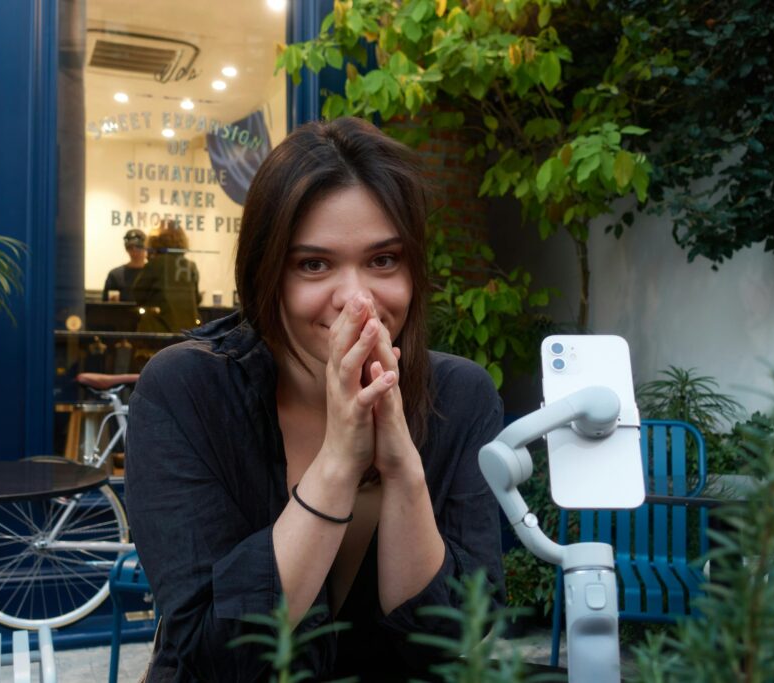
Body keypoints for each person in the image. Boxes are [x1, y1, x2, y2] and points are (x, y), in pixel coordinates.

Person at [126, 117, 505, 682]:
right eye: (314, 264)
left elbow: (452, 643)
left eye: (383, 260)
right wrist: (339, 461)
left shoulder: (463, 397)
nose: (357, 302)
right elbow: (214, 657)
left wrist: (401, 468)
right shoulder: (187, 391)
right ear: (266, 276)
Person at [133, 220, 201, 334]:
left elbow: (138, 294)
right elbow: (196, 298)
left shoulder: (156, 264)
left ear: (155, 240)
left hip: (158, 331)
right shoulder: (190, 266)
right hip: (188, 332)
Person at [102, 228, 148, 302]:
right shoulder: (115, 275)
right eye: (130, 248)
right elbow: (108, 305)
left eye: (138, 247)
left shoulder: (154, 274)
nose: (134, 251)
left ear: (146, 247)